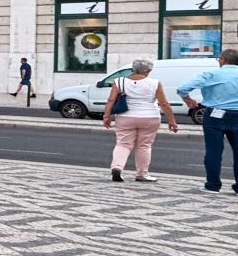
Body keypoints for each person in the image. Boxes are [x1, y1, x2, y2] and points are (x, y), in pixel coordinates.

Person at [101, 58, 178, 183]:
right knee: (144, 146)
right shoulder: (155, 83)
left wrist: (106, 116)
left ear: (133, 69)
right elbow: (164, 103)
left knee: (123, 144)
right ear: (149, 71)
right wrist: (172, 121)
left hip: (125, 117)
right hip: (150, 117)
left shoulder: (119, 81)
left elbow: (110, 100)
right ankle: (142, 174)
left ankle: (117, 167)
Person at [176, 48, 238, 193]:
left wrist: (187, 98)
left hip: (215, 115)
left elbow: (183, 88)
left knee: (213, 151)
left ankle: (213, 184)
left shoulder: (211, 74)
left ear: (223, 60)